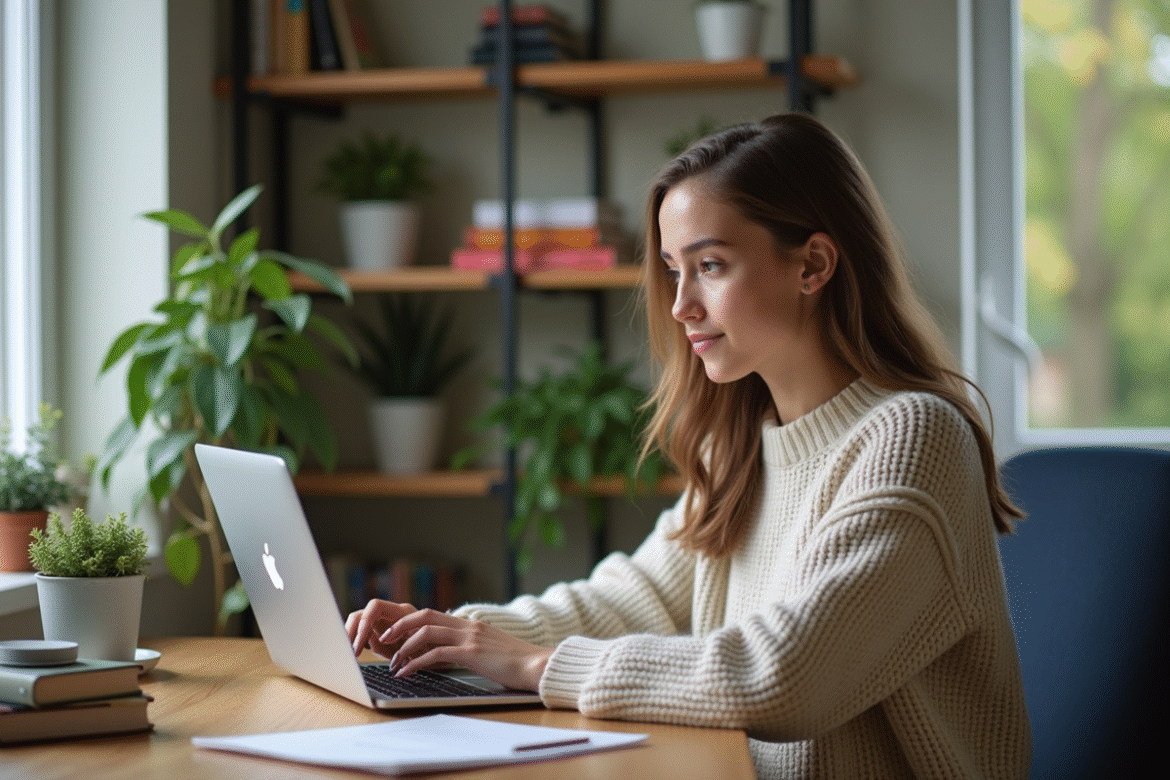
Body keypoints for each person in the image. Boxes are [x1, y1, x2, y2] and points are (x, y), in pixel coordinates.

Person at [346, 112, 1031, 780]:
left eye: (710, 265)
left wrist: (532, 666)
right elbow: (628, 600)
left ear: (813, 264)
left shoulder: (913, 438)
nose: (681, 307)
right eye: (675, 270)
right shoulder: (742, 444)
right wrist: (450, 635)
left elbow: (780, 678)